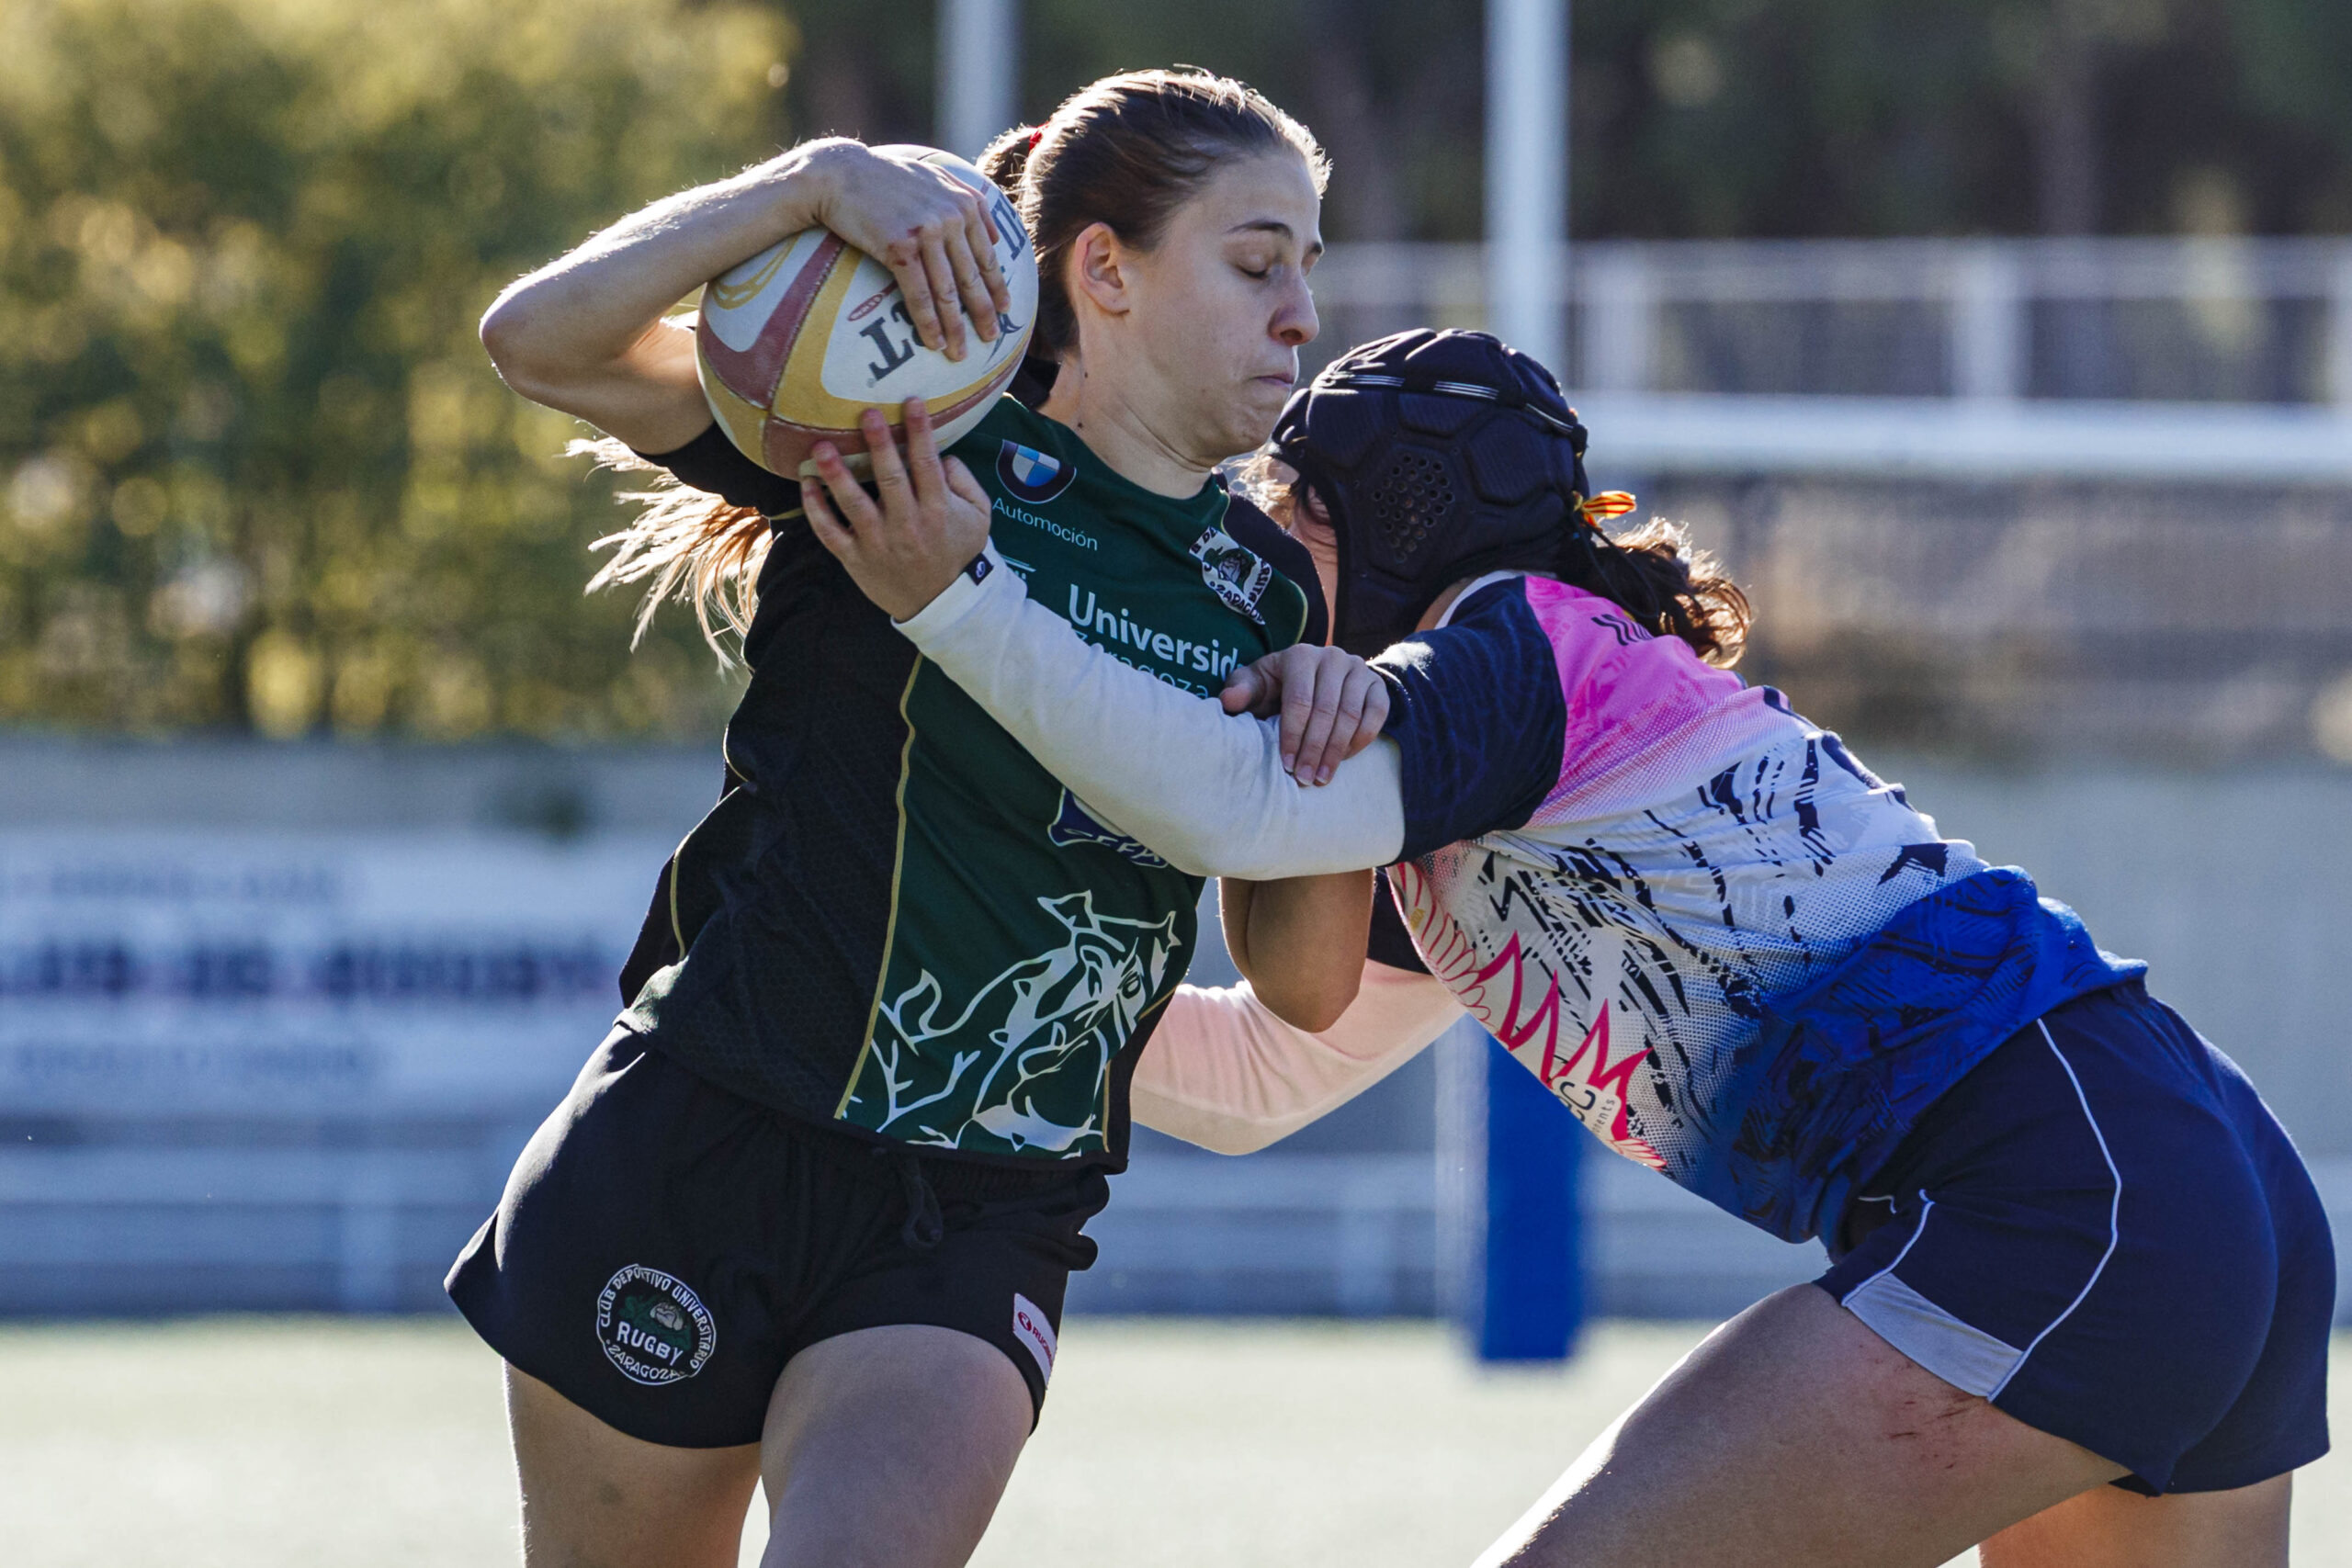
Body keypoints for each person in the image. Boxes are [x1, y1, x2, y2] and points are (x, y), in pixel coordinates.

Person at [807, 328, 2334, 1568]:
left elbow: (1232, 797)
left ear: (1373, 526)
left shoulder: (1503, 642)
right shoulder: (1479, 771)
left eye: (1288, 509)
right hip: (2185, 1179)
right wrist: (951, 985)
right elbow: (1272, 1063)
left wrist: (957, 598)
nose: (1252, 545)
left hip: (2070, 1200)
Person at [451, 69, 1340, 1568]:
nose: (1303, 314)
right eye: (1259, 263)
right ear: (1103, 273)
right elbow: (535, 341)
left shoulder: (1274, 591)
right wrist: (805, 185)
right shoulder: (886, 432)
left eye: (1312, 268)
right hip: (697, 1140)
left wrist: (1341, 745)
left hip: (976, 1207)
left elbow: (1306, 991)